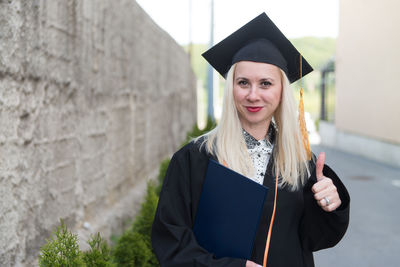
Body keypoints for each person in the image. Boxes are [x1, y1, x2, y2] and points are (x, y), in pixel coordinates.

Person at [151, 12, 350, 267]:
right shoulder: (194, 159)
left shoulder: (299, 162)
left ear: (281, 92)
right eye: (243, 82)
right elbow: (171, 240)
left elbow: (313, 239)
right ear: (231, 88)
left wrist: (328, 205)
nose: (253, 95)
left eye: (265, 84)